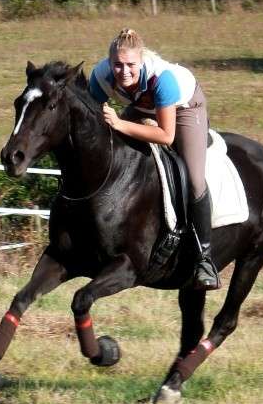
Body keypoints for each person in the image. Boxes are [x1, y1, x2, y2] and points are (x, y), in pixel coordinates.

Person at [88, 27, 220, 291]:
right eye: (117, 65)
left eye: (130, 65)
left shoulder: (164, 79)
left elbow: (166, 135)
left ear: (141, 61)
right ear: (109, 62)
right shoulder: (100, 76)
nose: (124, 72)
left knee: (194, 180)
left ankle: (204, 259)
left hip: (184, 109)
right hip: (141, 107)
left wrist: (119, 124)